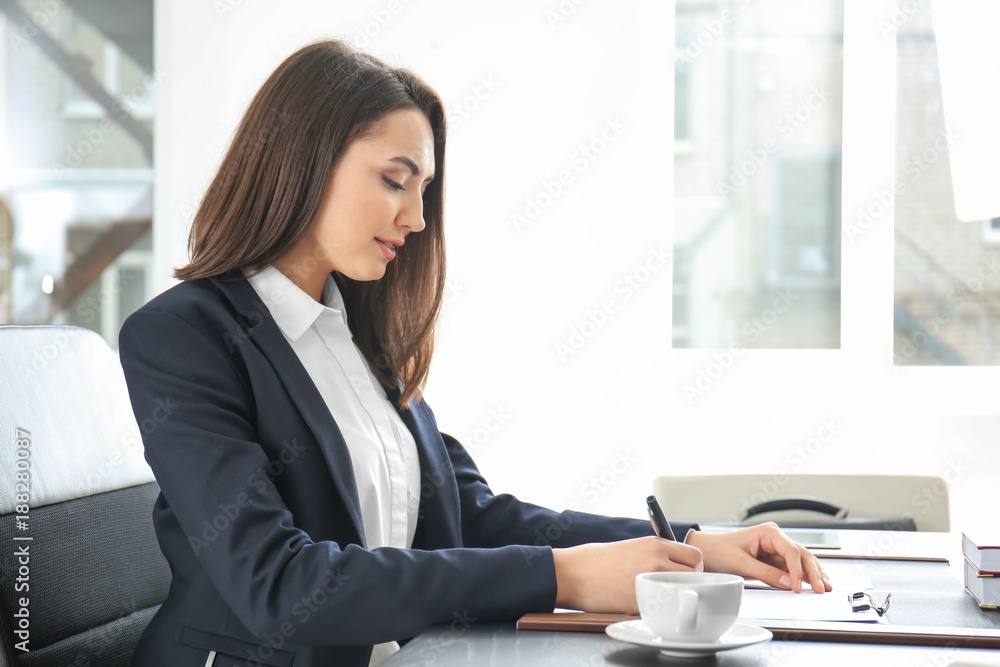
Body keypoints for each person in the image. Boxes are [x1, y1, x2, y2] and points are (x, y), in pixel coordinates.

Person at [118, 39, 830, 667]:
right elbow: (279, 585)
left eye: (424, 190)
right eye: (395, 180)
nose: (415, 217)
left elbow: (470, 517)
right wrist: (566, 576)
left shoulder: (355, 334)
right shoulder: (184, 336)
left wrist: (693, 545)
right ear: (305, 160)